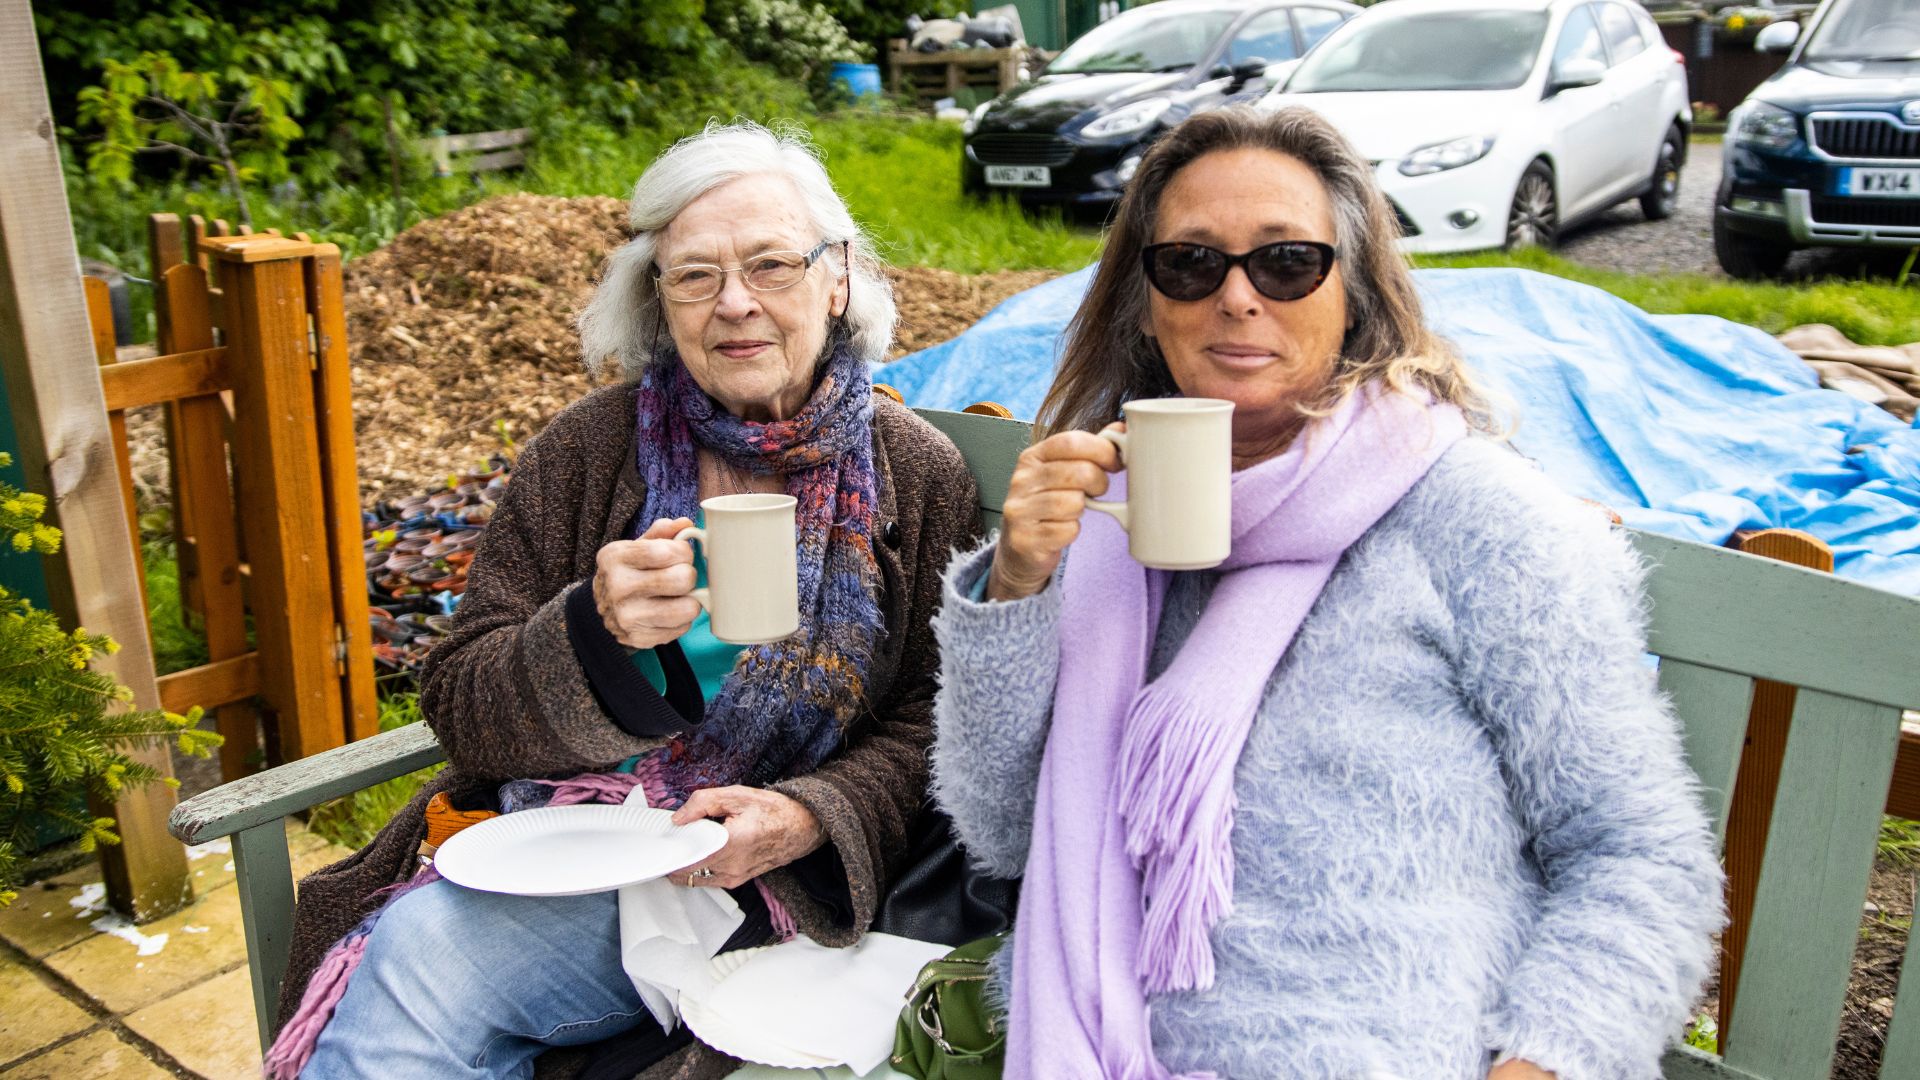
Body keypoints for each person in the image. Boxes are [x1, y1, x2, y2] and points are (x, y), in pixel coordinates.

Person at [930, 106, 1723, 1080]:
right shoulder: (1108, 524)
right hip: (1098, 1047)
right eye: (1190, 263)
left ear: (1355, 291)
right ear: (1144, 300)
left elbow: (1639, 854)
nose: (1236, 299)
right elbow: (1005, 836)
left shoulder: (1480, 521)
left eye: (1287, 262)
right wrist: (1018, 586)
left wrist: (1541, 1063)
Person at [276, 120, 980, 1080]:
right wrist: (588, 639)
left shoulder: (915, 478)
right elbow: (458, 703)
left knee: (423, 966)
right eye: (694, 275)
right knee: (420, 966)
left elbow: (937, 725)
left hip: (753, 883)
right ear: (658, 299)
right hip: (565, 841)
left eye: (771, 265)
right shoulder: (587, 451)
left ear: (839, 277)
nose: (735, 304)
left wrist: (811, 814)